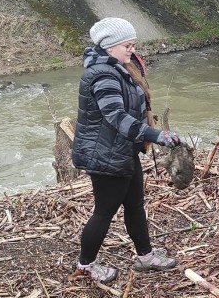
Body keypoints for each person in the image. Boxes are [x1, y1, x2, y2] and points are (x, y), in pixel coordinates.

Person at [71, 17, 181, 281]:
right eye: (127, 45)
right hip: (105, 155)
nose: (132, 50)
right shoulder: (102, 74)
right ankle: (85, 265)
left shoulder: (119, 68)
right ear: (109, 46)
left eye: (133, 44)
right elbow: (117, 118)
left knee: (135, 205)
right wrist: (156, 135)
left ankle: (146, 256)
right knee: (104, 212)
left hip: (122, 151)